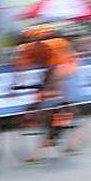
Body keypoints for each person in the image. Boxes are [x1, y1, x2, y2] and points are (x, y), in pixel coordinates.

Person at [12, 24, 81, 159]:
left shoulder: (56, 45)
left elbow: (57, 73)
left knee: (54, 94)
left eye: (36, 42)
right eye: (30, 43)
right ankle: (53, 120)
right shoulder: (24, 49)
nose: (32, 44)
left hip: (64, 64)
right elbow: (19, 68)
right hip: (49, 65)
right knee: (44, 95)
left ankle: (62, 118)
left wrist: (50, 88)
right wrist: (15, 85)